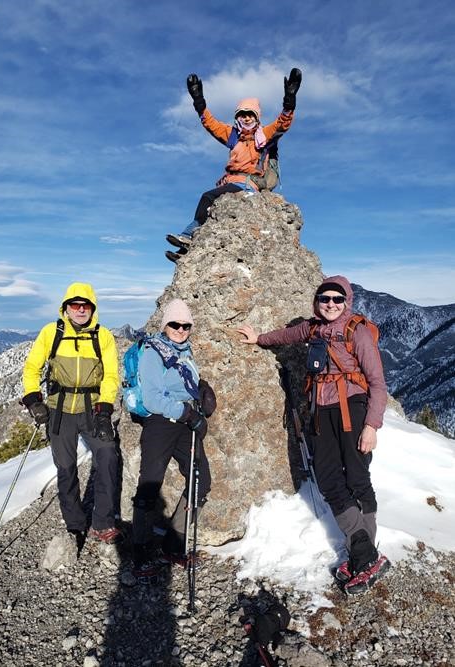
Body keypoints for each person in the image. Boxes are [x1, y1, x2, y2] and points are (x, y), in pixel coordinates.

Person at [237, 276, 391, 595]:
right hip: (322, 410)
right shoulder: (314, 328)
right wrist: (259, 338)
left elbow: (378, 383)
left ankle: (364, 556)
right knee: (329, 479)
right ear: (317, 302)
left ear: (347, 301)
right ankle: (366, 555)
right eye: (325, 299)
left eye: (337, 299)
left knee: (357, 479)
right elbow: (287, 335)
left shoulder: (358, 332)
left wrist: (371, 426)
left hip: (353, 409)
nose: (331, 304)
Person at [165, 68, 302, 262]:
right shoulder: (233, 135)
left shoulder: (263, 136)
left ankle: (187, 236)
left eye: (250, 114)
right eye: (242, 114)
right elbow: (211, 124)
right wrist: (199, 101)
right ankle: (185, 252)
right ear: (237, 117)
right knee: (211, 213)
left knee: (208, 197)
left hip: (247, 184)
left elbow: (282, 124)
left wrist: (290, 101)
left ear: (257, 117)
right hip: (230, 183)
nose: (246, 118)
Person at [22, 282, 121, 547]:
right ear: (65, 308)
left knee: (107, 456)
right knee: (66, 468)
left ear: (93, 308)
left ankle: (103, 523)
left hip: (92, 409)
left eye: (85, 305)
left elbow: (111, 375)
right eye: (74, 305)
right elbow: (32, 367)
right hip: (60, 410)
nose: (80, 309)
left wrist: (104, 408)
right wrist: (33, 399)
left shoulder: (103, 336)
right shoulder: (51, 332)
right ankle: (75, 524)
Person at [131, 298, 216, 582]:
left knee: (201, 480)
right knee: (149, 485)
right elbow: (152, 399)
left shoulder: (185, 352)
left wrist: (200, 393)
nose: (180, 330)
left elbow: (184, 386)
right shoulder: (153, 352)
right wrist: (187, 414)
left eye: (185, 325)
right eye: (175, 324)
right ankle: (140, 554)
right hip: (160, 424)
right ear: (165, 325)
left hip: (184, 422)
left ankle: (173, 543)